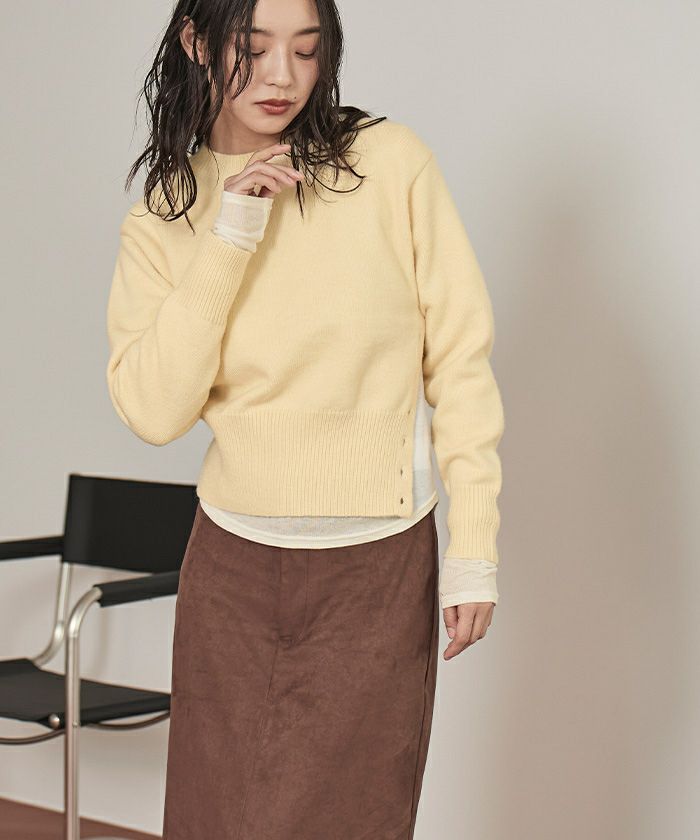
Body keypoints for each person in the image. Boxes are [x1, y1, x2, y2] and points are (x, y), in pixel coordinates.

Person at [105, 0, 505, 836]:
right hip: (232, 568)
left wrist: (474, 548)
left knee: (356, 819)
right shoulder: (167, 211)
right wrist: (230, 233)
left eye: (306, 50)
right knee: (215, 819)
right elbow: (153, 410)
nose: (281, 76)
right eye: (252, 49)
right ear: (196, 42)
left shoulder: (389, 164)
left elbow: (461, 363)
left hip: (377, 562)